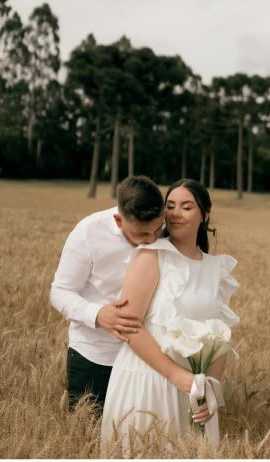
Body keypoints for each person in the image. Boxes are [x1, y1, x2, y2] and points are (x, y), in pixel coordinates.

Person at [101, 179, 239, 452]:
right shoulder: (152, 255)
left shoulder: (216, 269)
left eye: (186, 207)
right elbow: (129, 327)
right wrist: (177, 376)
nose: (175, 213)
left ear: (205, 214)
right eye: (170, 206)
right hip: (146, 382)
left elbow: (220, 335)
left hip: (193, 392)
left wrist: (210, 389)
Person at [50, 175, 166, 410]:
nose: (153, 239)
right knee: (87, 436)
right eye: (142, 235)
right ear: (119, 220)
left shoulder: (162, 231)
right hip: (96, 357)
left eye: (157, 229)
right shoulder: (87, 233)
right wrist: (98, 314)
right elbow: (60, 292)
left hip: (146, 361)